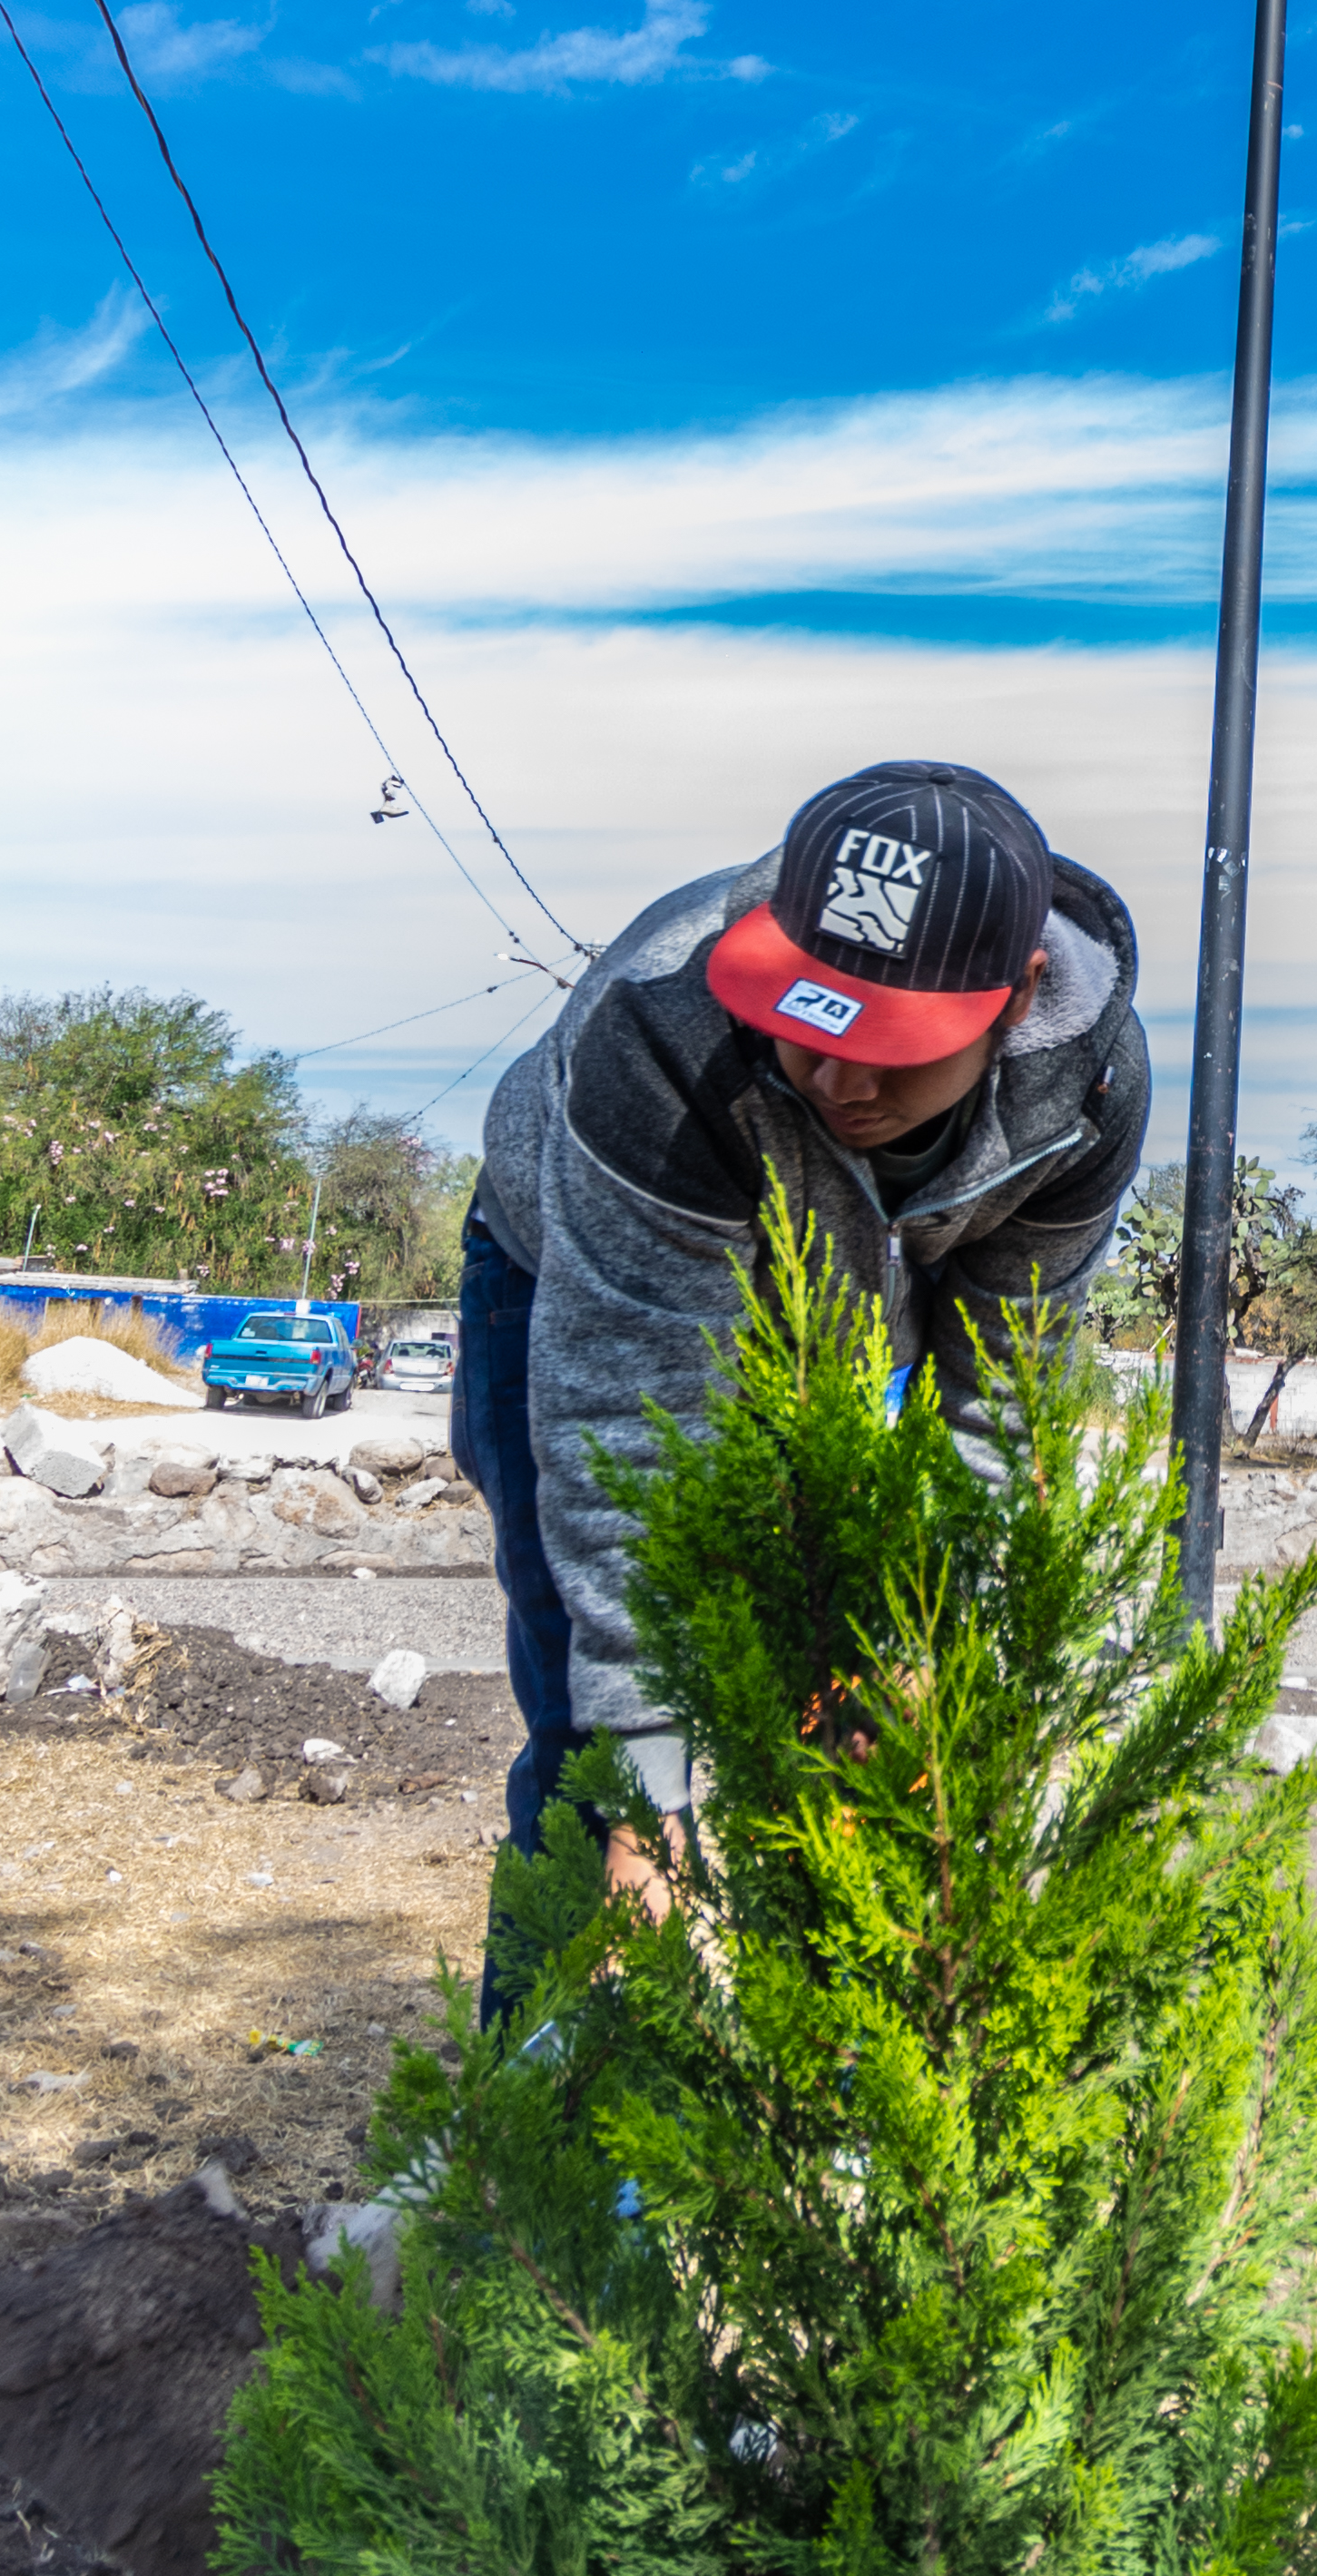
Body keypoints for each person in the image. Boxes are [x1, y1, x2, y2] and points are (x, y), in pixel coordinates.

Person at [455, 758, 1147, 1982]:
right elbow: (630, 1437)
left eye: (899, 1047)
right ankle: (551, 2139)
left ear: (1018, 993)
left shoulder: (1085, 1092)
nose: (843, 1081)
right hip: (576, 1277)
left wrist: (941, 1648)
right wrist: (643, 1798)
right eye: (820, 1030)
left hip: (850, 1316)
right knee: (593, 1746)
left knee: (870, 1712)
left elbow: (1002, 1398)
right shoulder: (659, 1034)